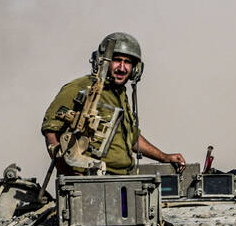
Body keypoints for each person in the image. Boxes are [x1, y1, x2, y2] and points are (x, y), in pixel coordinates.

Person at [41, 32, 184, 174]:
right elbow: (51, 129)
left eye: (127, 62)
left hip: (122, 179)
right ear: (104, 61)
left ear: (135, 69)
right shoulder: (80, 87)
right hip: (90, 177)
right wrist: (68, 175)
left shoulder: (120, 94)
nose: (122, 68)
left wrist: (163, 157)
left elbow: (131, 138)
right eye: (117, 60)